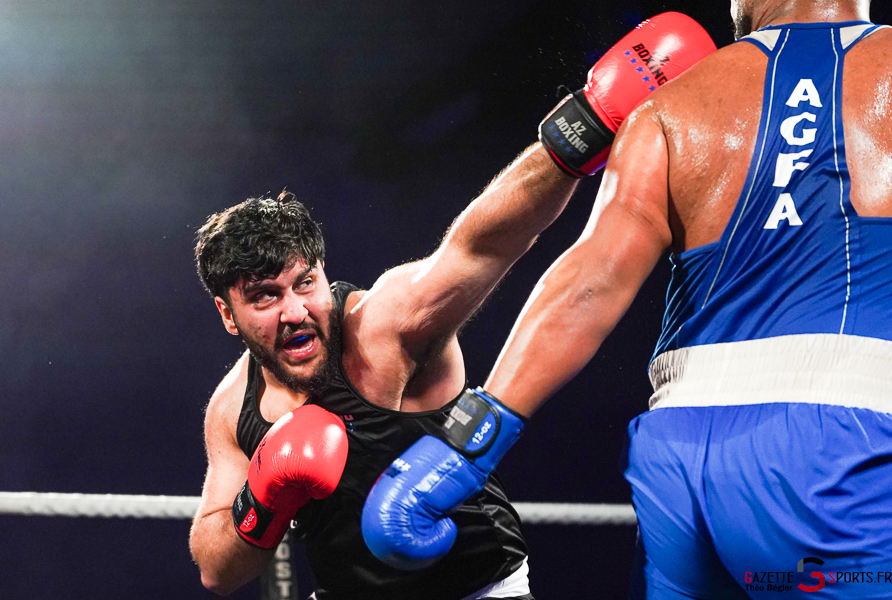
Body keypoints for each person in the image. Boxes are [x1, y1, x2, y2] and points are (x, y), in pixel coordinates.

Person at [362, 1, 892, 599]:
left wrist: (461, 448)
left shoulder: (672, 106)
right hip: (848, 445)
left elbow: (590, 282)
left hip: (682, 467)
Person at [188, 13, 716, 600]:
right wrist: (264, 496)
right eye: (265, 297)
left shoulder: (381, 326)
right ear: (228, 315)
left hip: (479, 591)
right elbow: (216, 570)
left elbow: (479, 244)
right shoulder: (232, 409)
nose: (294, 311)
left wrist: (588, 124)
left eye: (304, 283)